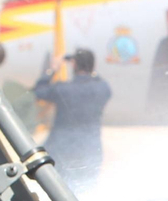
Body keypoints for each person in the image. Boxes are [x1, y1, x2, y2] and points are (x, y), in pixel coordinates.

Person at [33, 48, 113, 187]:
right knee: (86, 190)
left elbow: (39, 91)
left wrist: (53, 69)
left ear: (74, 65)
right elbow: (99, 80)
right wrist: (91, 70)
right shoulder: (103, 88)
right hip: (91, 151)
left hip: (62, 151)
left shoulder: (63, 89)